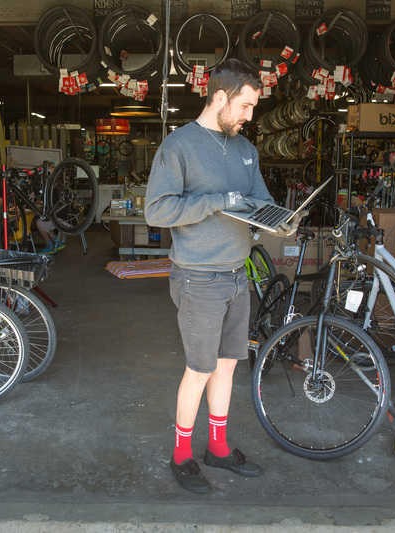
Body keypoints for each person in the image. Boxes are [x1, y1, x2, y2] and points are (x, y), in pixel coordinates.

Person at [145, 58, 295, 494]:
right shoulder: (179, 146)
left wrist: (280, 220)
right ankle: (181, 455)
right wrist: (213, 200)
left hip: (236, 273)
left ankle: (219, 448)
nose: (250, 116)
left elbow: (260, 200)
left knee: (228, 366)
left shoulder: (245, 149)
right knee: (200, 368)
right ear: (220, 97)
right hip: (198, 277)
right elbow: (157, 210)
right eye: (245, 106)